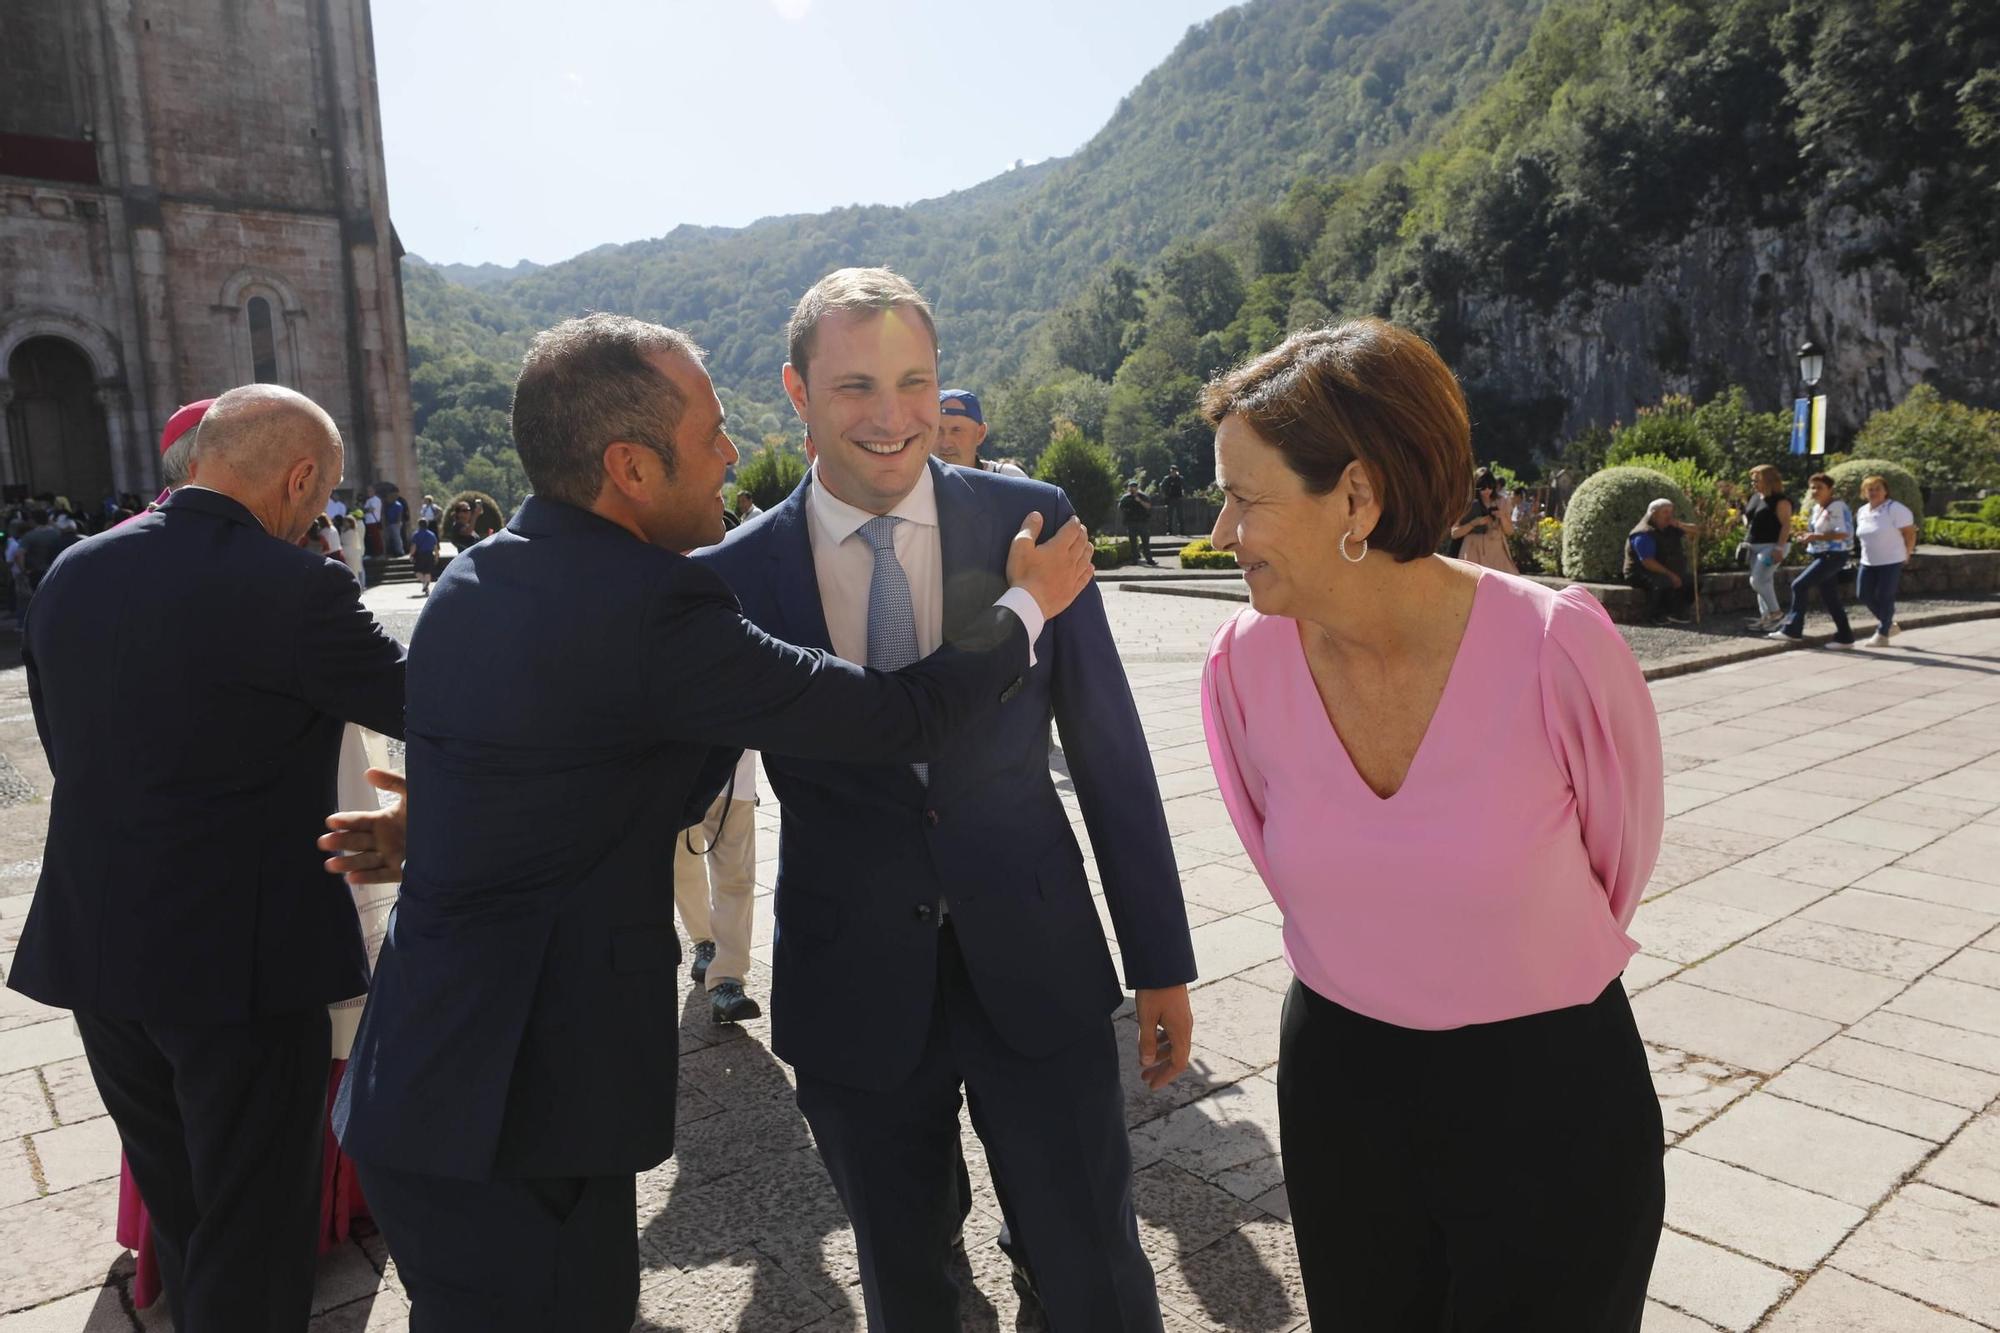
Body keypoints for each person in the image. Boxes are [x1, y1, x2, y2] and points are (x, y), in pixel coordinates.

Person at [330, 312, 1095, 1333]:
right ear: (630, 467)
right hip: (523, 1110)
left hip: (418, 1084)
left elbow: (530, 754)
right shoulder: (654, 606)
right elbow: (896, 715)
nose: (734, 455)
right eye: (709, 436)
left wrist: (436, 828)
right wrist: (1028, 606)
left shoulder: (478, 574)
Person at [699, 268, 1195, 1332]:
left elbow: (1106, 748)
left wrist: (1158, 957)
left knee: (1094, 1269)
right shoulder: (731, 576)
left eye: (915, 380)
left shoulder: (1032, 519)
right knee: (908, 1288)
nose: (892, 416)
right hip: (852, 989)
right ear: (795, 391)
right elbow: (672, 772)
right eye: (854, 386)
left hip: (1039, 959)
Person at [1199, 320, 1665, 1330]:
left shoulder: (1555, 648)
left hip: (1551, 1103)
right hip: (1340, 1096)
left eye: (1244, 497)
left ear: (1356, 499)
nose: (1221, 529)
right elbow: (1283, 862)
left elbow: (1616, 862)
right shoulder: (1241, 663)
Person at [9, 384, 407, 1332]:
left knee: (185, 1213)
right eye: (323, 498)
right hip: (242, 968)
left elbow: (69, 753)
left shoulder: (73, 571)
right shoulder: (297, 588)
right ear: (300, 476)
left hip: (100, 953)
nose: (321, 519)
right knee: (258, 1228)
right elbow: (440, 707)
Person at [674, 746, 762, 1024]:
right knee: (684, 867)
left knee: (737, 877)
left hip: (735, 775)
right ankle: (704, 941)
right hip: (680, 772)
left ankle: (728, 979)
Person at [1768, 472, 1855, 647]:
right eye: (1812, 487)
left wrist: (1814, 537)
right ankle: (1846, 637)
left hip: (1834, 555)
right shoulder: (1817, 509)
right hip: (1822, 555)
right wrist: (1807, 537)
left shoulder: (1836, 506)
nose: (1815, 491)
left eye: (1820, 487)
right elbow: (1818, 533)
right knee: (1830, 597)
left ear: (1830, 489)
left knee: (1799, 585)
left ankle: (1793, 630)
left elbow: (1843, 532)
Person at [1855, 475, 1917, 646]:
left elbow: (1909, 533)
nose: (1874, 492)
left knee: (1885, 596)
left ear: (1885, 491)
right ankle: (1888, 624)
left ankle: (1882, 634)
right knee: (1863, 594)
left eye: (1877, 489)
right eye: (1870, 489)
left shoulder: (1895, 509)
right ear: (1864, 492)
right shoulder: (1862, 511)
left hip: (1891, 560)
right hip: (1868, 561)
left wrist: (1907, 552)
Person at [1739, 465, 1793, 631]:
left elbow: (1786, 525)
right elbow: (1749, 516)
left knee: (1757, 580)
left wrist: (1779, 548)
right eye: (1752, 480)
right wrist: (1744, 518)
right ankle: (1766, 618)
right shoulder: (1755, 497)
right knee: (1764, 582)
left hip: (1772, 546)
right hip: (1754, 545)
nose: (1753, 483)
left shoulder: (1781, 500)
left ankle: (1777, 614)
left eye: (1757, 480)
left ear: (1768, 480)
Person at [1624, 498, 1693, 625]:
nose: (1669, 516)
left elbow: (1696, 531)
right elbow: (1647, 561)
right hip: (1640, 571)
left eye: (1671, 512)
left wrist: (1680, 525)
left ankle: (1676, 612)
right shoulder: (1643, 533)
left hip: (1663, 570)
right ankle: (1654, 615)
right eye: (1665, 512)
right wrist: (1671, 575)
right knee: (1662, 581)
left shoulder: (1670, 527)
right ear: (1654, 514)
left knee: (1691, 580)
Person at [932, 388, 1028, 476]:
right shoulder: (920, 483)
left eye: (956, 430)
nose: (946, 444)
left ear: (980, 434)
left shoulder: (1008, 479)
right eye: (938, 431)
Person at [1447, 470, 1517, 572]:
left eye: (1490, 486)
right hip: (1472, 551)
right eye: (1483, 487)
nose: (1487, 490)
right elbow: (1454, 533)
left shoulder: (1502, 502)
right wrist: (1474, 523)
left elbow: (1510, 531)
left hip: (1497, 553)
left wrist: (1502, 516)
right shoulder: (1467, 504)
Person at [1119, 479, 1156, 565]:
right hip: (1131, 523)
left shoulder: (1143, 496)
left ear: (1137, 488)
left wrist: (1140, 501)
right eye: (1131, 487)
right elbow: (1120, 507)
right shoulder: (1126, 498)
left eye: (1134, 487)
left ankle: (1149, 559)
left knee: (1145, 542)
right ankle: (1134, 560)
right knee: (1133, 543)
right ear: (1128, 488)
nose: (1132, 489)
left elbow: (1148, 506)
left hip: (1142, 522)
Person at [409, 517, 440, 596]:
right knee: (428, 571)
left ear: (419, 525)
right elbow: (435, 547)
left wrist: (411, 555)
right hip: (429, 555)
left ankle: (424, 582)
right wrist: (436, 557)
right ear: (427, 525)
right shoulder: (432, 534)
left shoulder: (416, 534)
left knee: (417, 571)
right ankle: (426, 585)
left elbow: (414, 546)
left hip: (420, 555)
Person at [336, 512, 366, 588]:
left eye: (346, 522)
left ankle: (357, 587)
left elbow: (344, 541)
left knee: (354, 571)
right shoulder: (345, 531)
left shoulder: (352, 532)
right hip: (347, 552)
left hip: (352, 553)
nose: (344, 523)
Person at [1161, 465, 1187, 534]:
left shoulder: (1180, 478)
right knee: (1169, 516)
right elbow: (1162, 486)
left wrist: (1184, 493)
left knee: (1180, 515)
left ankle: (1182, 531)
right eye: (1172, 471)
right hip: (1170, 499)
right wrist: (1164, 495)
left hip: (1178, 498)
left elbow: (1184, 486)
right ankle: (1169, 531)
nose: (1173, 472)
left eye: (1174, 471)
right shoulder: (1167, 479)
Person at [383, 489, 408, 558]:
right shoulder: (390, 505)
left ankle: (400, 551)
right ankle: (393, 551)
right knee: (392, 538)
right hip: (390, 523)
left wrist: (398, 522)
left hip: (395, 523)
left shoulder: (398, 505)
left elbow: (399, 514)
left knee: (397, 538)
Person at [362, 485, 383, 555]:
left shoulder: (376, 499)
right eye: (368, 491)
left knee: (376, 539)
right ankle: (372, 552)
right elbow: (364, 510)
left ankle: (378, 552)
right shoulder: (368, 500)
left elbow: (371, 509)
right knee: (370, 539)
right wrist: (366, 509)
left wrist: (366, 509)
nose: (368, 493)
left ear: (374, 491)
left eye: (370, 491)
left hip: (374, 521)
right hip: (368, 521)